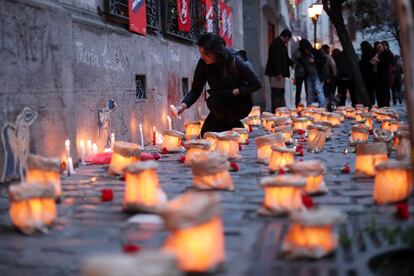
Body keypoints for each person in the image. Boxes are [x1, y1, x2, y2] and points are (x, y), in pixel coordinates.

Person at [172, 33, 261, 136]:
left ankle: (236, 126)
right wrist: (182, 107)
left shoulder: (234, 61)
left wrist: (236, 91)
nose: (202, 57)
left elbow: (256, 84)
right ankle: (234, 129)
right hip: (219, 105)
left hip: (238, 103)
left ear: (216, 52)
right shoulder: (203, 63)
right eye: (201, 53)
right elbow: (196, 90)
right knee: (207, 133)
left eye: (205, 54)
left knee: (214, 104)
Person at [265, 29, 293, 111]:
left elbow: (285, 58)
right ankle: (276, 111)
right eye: (287, 39)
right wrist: (278, 73)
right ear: (285, 37)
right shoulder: (276, 44)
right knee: (276, 93)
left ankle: (280, 110)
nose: (287, 41)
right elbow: (275, 60)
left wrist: (292, 63)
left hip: (280, 73)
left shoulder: (281, 44)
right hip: (276, 74)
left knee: (280, 92)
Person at [299, 39, 326, 107]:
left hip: (317, 74)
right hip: (308, 74)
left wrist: (315, 61)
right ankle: (309, 106)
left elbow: (324, 60)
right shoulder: (303, 55)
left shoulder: (316, 51)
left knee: (318, 90)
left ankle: (322, 106)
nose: (306, 51)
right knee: (309, 91)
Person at [372, 42, 392, 107]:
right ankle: (381, 107)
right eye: (377, 47)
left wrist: (378, 62)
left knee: (385, 94)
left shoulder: (387, 53)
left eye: (380, 47)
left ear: (382, 47)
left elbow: (388, 62)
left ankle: (385, 108)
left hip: (384, 77)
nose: (379, 48)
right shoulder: (376, 54)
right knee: (379, 95)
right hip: (377, 78)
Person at [321, 44, 337, 111]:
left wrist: (328, 77)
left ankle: (330, 107)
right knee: (330, 93)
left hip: (329, 78)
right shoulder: (329, 57)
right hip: (331, 78)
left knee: (328, 93)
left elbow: (330, 68)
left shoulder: (327, 58)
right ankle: (331, 107)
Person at [359, 41, 376, 106]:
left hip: (369, 74)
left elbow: (367, 63)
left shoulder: (368, 53)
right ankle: (370, 103)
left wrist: (361, 63)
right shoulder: (369, 52)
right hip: (368, 74)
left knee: (370, 90)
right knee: (370, 91)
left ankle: (371, 104)